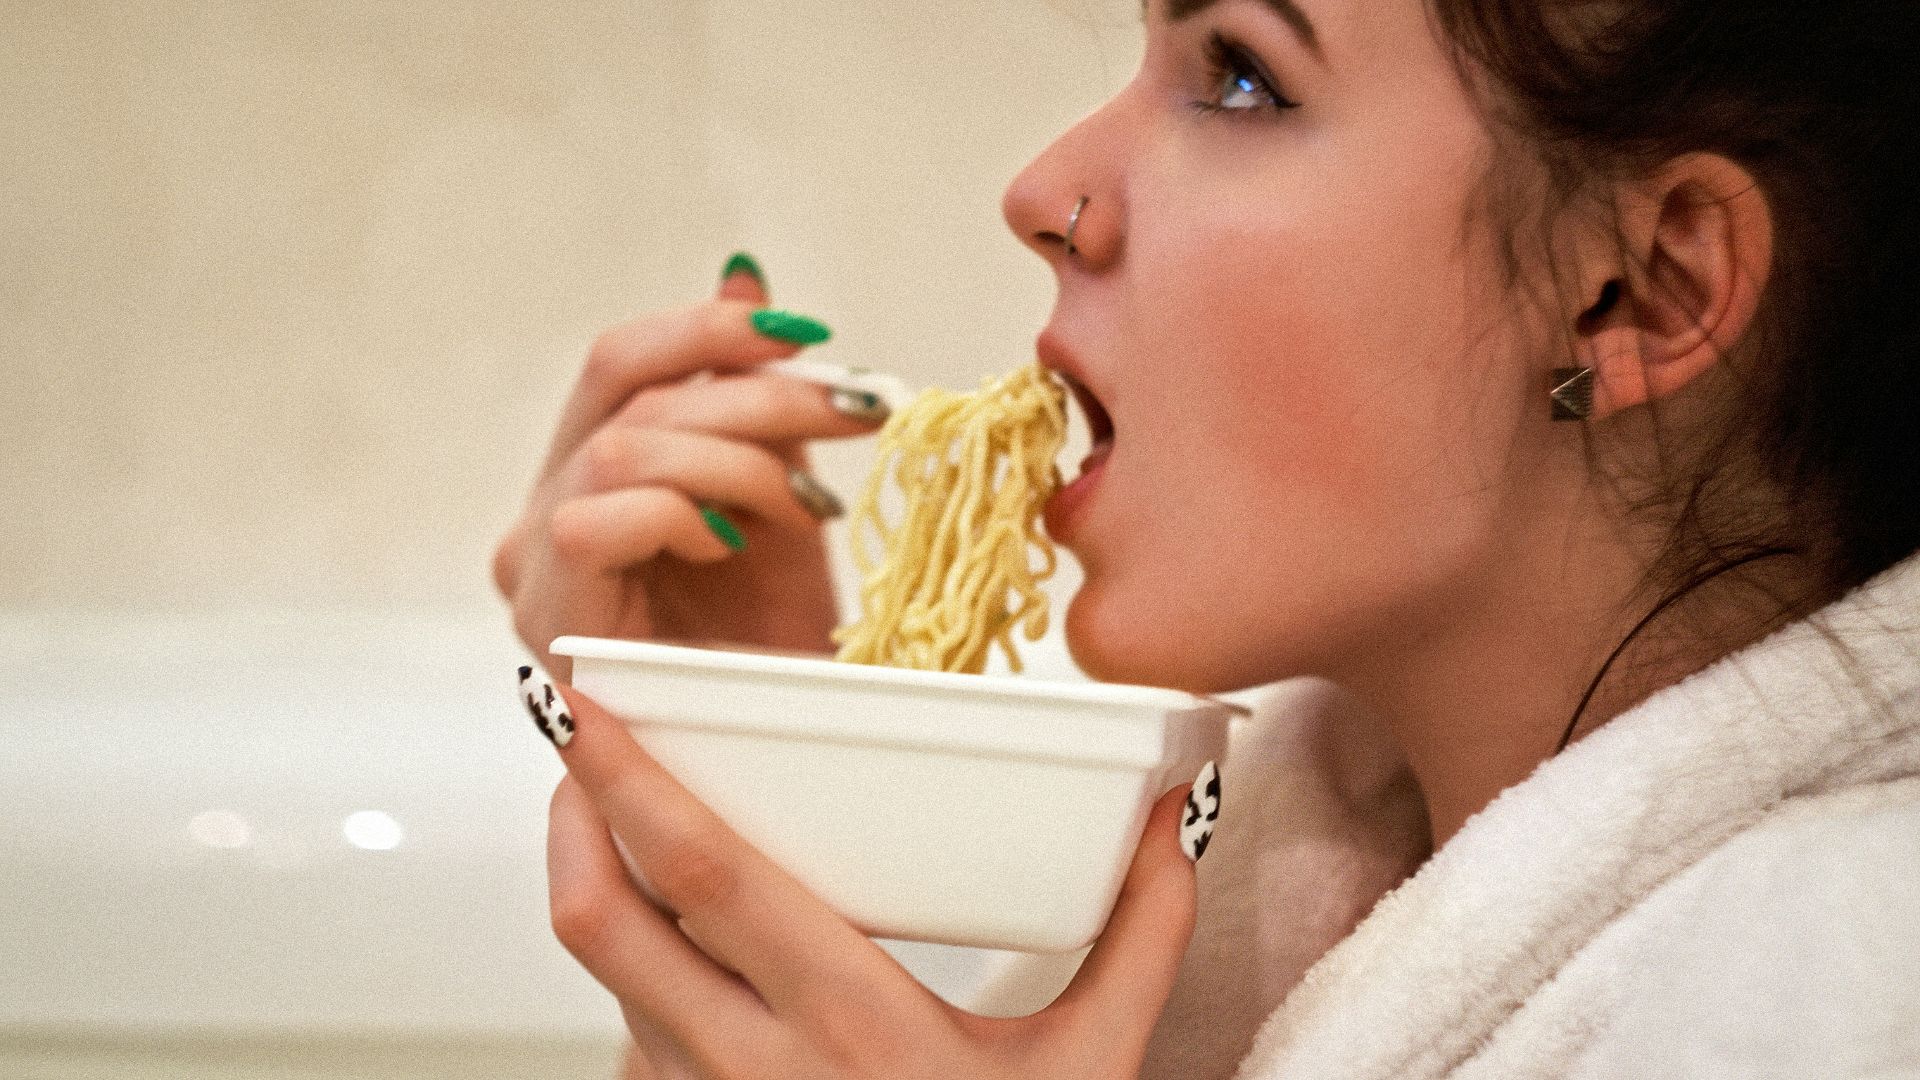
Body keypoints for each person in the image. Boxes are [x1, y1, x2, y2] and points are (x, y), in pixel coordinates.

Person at [494, 0, 1920, 1076]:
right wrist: (783, 798)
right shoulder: (1313, 865)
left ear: (1643, 294)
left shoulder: (1839, 983)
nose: (1043, 191)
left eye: (1242, 76)